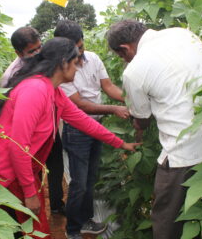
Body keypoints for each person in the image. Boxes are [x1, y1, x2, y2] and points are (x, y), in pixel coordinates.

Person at [0, 37, 140, 238]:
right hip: (7, 173)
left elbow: (82, 120)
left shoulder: (52, 90)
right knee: (24, 231)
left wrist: (121, 143)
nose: (78, 68)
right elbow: (17, 146)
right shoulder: (35, 90)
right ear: (63, 63)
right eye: (75, 63)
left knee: (30, 230)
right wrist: (29, 192)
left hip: (22, 171)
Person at [106, 20, 202, 239]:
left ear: (125, 48)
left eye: (122, 56)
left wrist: (137, 120)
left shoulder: (134, 71)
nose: (125, 61)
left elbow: (142, 120)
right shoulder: (184, 34)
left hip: (184, 152)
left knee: (167, 217)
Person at [54, 20, 129, 239]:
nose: (80, 52)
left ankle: (85, 221)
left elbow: (108, 86)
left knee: (89, 180)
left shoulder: (93, 59)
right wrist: (114, 109)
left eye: (81, 46)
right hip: (77, 130)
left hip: (96, 125)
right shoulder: (63, 69)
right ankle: (73, 230)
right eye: (74, 49)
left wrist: (132, 97)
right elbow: (80, 105)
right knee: (78, 183)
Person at [1, 26, 66, 215]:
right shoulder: (9, 77)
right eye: (32, 51)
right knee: (32, 172)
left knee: (56, 165)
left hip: (50, 129)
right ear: (18, 53)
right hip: (29, 136)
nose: (38, 53)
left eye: (39, 47)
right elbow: (15, 125)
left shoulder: (48, 63)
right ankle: (30, 206)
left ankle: (56, 204)